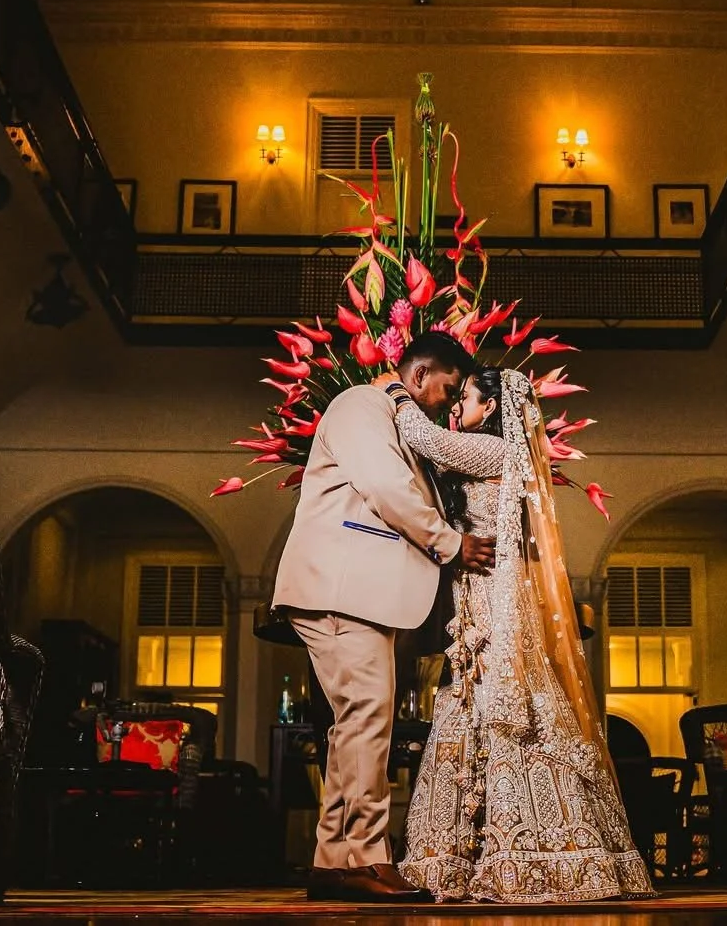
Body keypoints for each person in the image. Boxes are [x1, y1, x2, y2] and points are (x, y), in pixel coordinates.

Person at [391, 367, 653, 902]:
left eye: (464, 397)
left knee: (502, 706)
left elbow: (421, 436)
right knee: (470, 709)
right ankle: (466, 856)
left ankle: (531, 852)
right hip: (471, 598)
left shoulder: (497, 454)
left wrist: (393, 391)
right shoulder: (484, 458)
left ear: (491, 408)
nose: (456, 405)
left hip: (494, 601)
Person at [270, 331, 496, 903]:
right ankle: (369, 859)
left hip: (357, 592)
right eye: (448, 388)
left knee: (355, 725)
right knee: (369, 718)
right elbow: (384, 486)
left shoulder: (395, 420)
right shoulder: (359, 406)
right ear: (419, 374)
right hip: (342, 588)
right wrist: (451, 543)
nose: (448, 403)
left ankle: (331, 861)